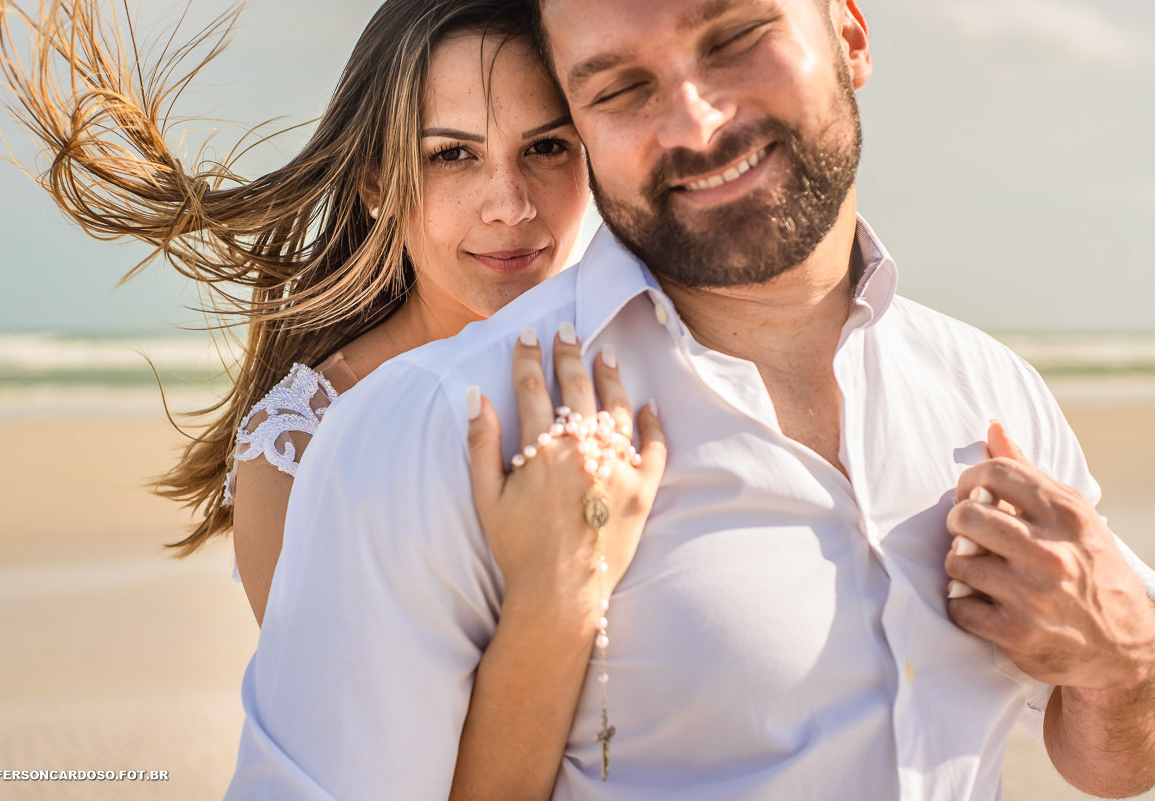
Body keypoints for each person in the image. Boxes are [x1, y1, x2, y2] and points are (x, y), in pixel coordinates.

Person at [226, 0, 1155, 798]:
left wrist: (1125, 663)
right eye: (619, 87)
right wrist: (560, 594)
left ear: (852, 34)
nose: (698, 122)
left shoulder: (989, 392)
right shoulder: (399, 431)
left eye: (734, 34)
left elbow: (1109, 745)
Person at [0, 1, 667, 798]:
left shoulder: (651, 348)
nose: (510, 202)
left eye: (548, 146)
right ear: (377, 180)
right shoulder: (301, 445)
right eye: (453, 155)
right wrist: (561, 578)